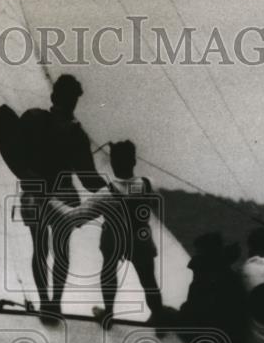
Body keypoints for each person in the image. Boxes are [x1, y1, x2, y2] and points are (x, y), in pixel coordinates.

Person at [47, 140, 163, 323]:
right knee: (149, 280)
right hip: (141, 237)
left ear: (113, 163)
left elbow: (75, 219)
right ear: (134, 161)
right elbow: (151, 201)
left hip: (114, 237)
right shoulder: (149, 185)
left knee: (109, 269)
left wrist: (52, 200)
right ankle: (158, 315)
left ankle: (108, 313)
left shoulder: (106, 194)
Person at [18, 74, 105, 313]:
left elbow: (17, 156)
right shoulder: (72, 132)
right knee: (54, 248)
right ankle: (51, 302)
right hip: (53, 192)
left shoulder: (34, 120)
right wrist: (112, 192)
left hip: (38, 192)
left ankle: (49, 301)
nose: (70, 104)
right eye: (71, 99)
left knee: (43, 248)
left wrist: (109, 192)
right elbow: (88, 177)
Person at [179, 231, 244, 343]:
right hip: (231, 342)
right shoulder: (233, 278)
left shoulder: (202, 282)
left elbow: (193, 312)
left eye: (198, 253)